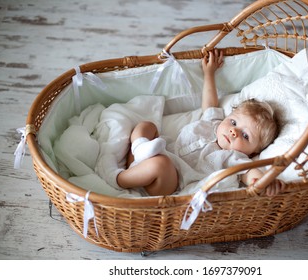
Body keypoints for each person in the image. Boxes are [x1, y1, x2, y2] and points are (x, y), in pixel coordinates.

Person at [116, 49, 285, 196]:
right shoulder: (213, 123)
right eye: (233, 122)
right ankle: (139, 151)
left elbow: (248, 172)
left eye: (246, 135)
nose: (234, 132)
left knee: (160, 164)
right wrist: (209, 74)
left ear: (253, 153)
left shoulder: (234, 158)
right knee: (147, 126)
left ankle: (120, 179)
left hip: (167, 181)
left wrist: (262, 180)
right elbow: (210, 103)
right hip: (151, 154)